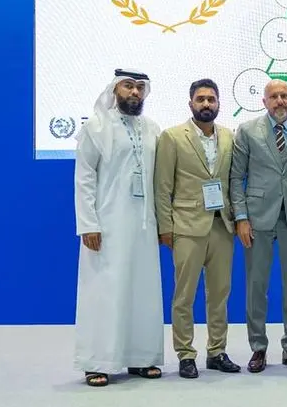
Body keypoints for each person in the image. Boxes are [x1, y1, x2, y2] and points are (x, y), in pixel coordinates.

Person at [73, 69, 164, 387]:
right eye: (128, 86)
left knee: (142, 290)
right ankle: (97, 361)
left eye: (139, 87)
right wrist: (88, 223)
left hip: (144, 224)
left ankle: (141, 358)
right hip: (107, 224)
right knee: (105, 291)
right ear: (114, 90)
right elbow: (84, 177)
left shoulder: (152, 129)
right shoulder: (96, 127)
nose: (135, 92)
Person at [154, 79, 241, 378]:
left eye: (211, 99)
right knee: (184, 295)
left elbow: (232, 181)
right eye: (200, 99)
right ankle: (185, 354)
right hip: (187, 226)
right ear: (190, 103)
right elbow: (162, 187)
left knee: (220, 294)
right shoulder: (172, 137)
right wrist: (165, 227)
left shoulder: (229, 136)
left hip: (222, 225)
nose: (206, 104)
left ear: (219, 104)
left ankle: (217, 351)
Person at [229, 79, 287, 373]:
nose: (280, 101)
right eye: (274, 96)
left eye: (284, 96)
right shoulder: (247, 131)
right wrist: (241, 217)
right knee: (257, 285)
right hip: (257, 217)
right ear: (263, 101)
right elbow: (236, 178)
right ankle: (258, 347)